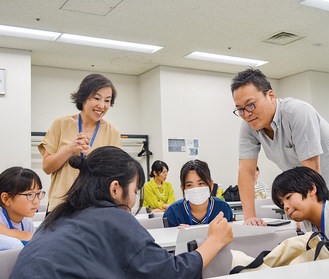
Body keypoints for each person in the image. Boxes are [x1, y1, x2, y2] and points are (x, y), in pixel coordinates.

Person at [10, 146, 233, 279]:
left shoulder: (59, 215)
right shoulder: (114, 217)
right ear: (115, 188)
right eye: (135, 189)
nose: (135, 197)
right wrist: (213, 242)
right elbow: (170, 274)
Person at [231, 68, 329, 226]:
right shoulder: (249, 127)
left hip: (316, 189)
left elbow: (311, 171)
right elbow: (246, 172)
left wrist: (308, 217)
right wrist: (249, 217)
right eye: (240, 109)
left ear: (271, 96)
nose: (246, 114)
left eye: (250, 105)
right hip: (308, 193)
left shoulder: (298, 113)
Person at [38, 74, 122, 213]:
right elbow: (47, 167)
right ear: (83, 97)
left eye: (107, 100)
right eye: (96, 98)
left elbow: (115, 176)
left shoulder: (113, 132)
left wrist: (93, 157)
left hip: (95, 207)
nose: (102, 106)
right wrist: (69, 149)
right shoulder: (60, 124)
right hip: (60, 207)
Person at [163, 159, 233, 227]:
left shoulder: (223, 208)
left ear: (211, 185)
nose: (195, 189)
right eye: (189, 185)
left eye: (201, 183)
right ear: (183, 188)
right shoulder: (172, 213)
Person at [272, 166, 329, 237]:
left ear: (311, 189)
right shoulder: (306, 223)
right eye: (282, 204)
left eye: (288, 197)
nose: (286, 207)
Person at [0, 167, 45, 248]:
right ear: (6, 199)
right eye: (30, 194)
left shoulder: (27, 223)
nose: (36, 201)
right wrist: (28, 236)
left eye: (38, 194)